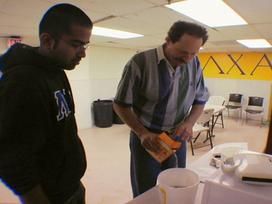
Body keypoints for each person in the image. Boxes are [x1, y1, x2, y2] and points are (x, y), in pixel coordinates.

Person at [0, 4, 92, 204]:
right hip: (52, 197)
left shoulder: (57, 70)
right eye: (76, 44)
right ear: (48, 41)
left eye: (85, 45)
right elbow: (12, 158)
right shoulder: (22, 82)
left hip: (71, 186)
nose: (82, 53)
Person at [113, 21, 209, 197]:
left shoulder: (194, 63)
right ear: (168, 40)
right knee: (147, 191)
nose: (187, 59)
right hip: (148, 139)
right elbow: (120, 104)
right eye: (182, 52)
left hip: (177, 138)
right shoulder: (139, 63)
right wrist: (141, 133)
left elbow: (200, 100)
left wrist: (189, 123)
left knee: (177, 186)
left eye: (193, 53)